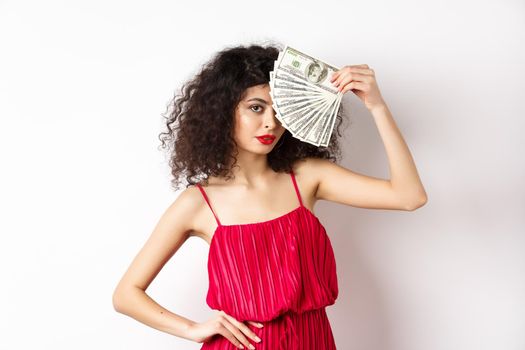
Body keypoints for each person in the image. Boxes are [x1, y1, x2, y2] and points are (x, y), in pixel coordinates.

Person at [112, 43, 427, 349]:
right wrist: (193, 329)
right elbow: (126, 294)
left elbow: (409, 196)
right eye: (256, 108)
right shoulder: (198, 203)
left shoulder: (306, 177)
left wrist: (377, 106)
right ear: (222, 112)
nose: (271, 123)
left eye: (279, 110)